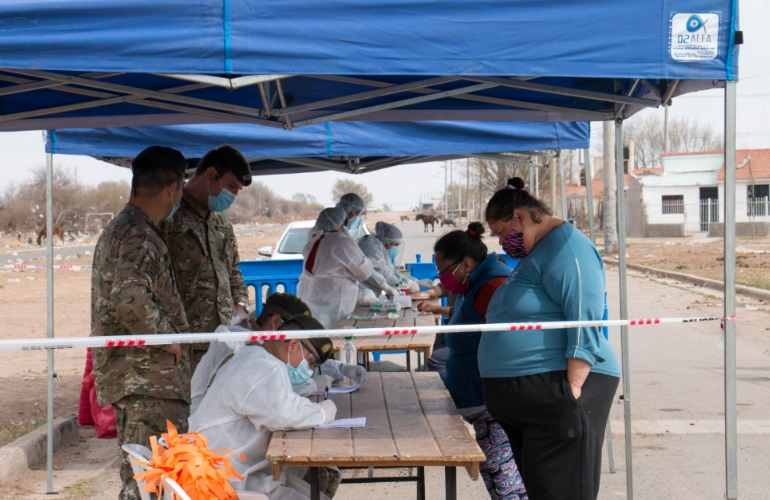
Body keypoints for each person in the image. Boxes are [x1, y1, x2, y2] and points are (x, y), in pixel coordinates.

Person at [481, 177, 620, 500]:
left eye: (501, 232)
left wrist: (572, 387)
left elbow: (584, 313)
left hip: (562, 390)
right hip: (533, 397)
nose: (502, 243)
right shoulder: (538, 252)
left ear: (520, 217)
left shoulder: (568, 248)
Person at [90, 146, 190, 500]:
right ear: (172, 188)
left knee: (148, 481)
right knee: (151, 483)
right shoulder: (138, 234)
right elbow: (130, 297)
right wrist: (168, 338)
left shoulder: (124, 228)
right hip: (148, 380)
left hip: (139, 378)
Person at [188, 315, 337, 500]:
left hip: (223, 470)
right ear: (293, 345)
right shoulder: (264, 366)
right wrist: (321, 413)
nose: (310, 370)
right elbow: (283, 414)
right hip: (221, 480)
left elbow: (279, 398)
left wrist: (313, 389)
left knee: (316, 494)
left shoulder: (257, 358)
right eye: (311, 362)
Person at [429, 223, 527, 500]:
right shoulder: (473, 283)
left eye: (444, 271)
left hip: (490, 402)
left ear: (467, 264)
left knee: (504, 480)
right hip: (479, 398)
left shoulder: (493, 286)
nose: (442, 278)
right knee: (499, 476)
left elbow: (511, 342)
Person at [160, 144, 253, 372]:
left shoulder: (221, 221)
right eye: (231, 186)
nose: (233, 195)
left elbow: (233, 270)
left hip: (222, 341)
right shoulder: (168, 214)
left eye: (238, 190)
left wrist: (240, 304)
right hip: (182, 343)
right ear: (211, 174)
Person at [297, 207, 375, 328]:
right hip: (336, 298)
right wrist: (369, 262)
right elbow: (364, 272)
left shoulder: (315, 240)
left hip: (314, 296)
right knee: (337, 333)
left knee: (318, 332)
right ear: (343, 221)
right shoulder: (343, 242)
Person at [358, 221, 433, 298]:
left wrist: (415, 281)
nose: (396, 248)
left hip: (371, 294)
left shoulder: (380, 246)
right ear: (386, 241)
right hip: (363, 294)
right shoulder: (372, 247)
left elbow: (392, 271)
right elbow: (384, 275)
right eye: (395, 245)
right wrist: (407, 283)